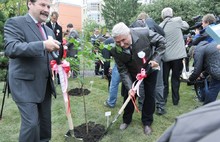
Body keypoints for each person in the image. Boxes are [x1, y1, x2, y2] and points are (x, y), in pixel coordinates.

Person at [4, 0, 60, 141]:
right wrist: (42, 45)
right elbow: (12, 48)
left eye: (48, 6)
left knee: (45, 128)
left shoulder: (48, 30)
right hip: (25, 85)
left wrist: (59, 62)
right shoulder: (15, 23)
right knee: (31, 125)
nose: (46, 10)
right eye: (42, 5)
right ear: (30, 4)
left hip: (45, 85)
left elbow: (49, 54)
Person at [111, 22, 166, 135]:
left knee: (150, 94)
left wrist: (155, 59)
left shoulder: (144, 33)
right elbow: (122, 70)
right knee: (129, 95)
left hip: (150, 69)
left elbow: (162, 41)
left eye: (123, 40)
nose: (121, 44)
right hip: (131, 72)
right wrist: (130, 87)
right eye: (118, 42)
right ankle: (126, 120)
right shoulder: (115, 49)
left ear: (129, 33)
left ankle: (147, 122)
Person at [159, 7, 189, 106]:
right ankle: (175, 100)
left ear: (162, 16)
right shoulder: (178, 21)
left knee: (165, 80)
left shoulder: (160, 25)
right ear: (172, 14)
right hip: (177, 57)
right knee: (175, 79)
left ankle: (164, 98)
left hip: (165, 57)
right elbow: (186, 26)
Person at [46, 11, 63, 84]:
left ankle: (59, 79)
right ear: (51, 17)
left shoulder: (59, 27)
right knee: (49, 63)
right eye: (53, 18)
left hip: (57, 48)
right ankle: (49, 78)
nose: (55, 20)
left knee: (58, 62)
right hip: (48, 47)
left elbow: (60, 39)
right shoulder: (46, 25)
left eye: (56, 19)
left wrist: (57, 44)